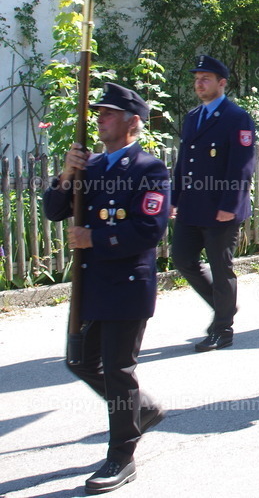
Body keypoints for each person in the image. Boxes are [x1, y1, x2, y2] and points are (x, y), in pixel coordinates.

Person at [43, 83, 170, 494]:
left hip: (127, 284)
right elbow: (53, 209)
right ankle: (144, 409)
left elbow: (148, 229)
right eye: (98, 113)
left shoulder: (148, 169)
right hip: (91, 285)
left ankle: (123, 454)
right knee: (79, 361)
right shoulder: (92, 166)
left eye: (109, 114)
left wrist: (94, 238)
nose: (100, 119)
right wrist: (67, 173)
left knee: (118, 370)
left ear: (133, 122)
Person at [172, 55, 257, 352]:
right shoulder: (193, 116)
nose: (199, 84)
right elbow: (184, 162)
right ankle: (225, 305)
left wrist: (230, 204)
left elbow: (242, 165)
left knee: (221, 268)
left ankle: (223, 329)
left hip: (221, 207)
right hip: (192, 205)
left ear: (222, 83)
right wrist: (174, 197)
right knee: (181, 258)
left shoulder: (237, 118)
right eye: (196, 79)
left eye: (205, 79)